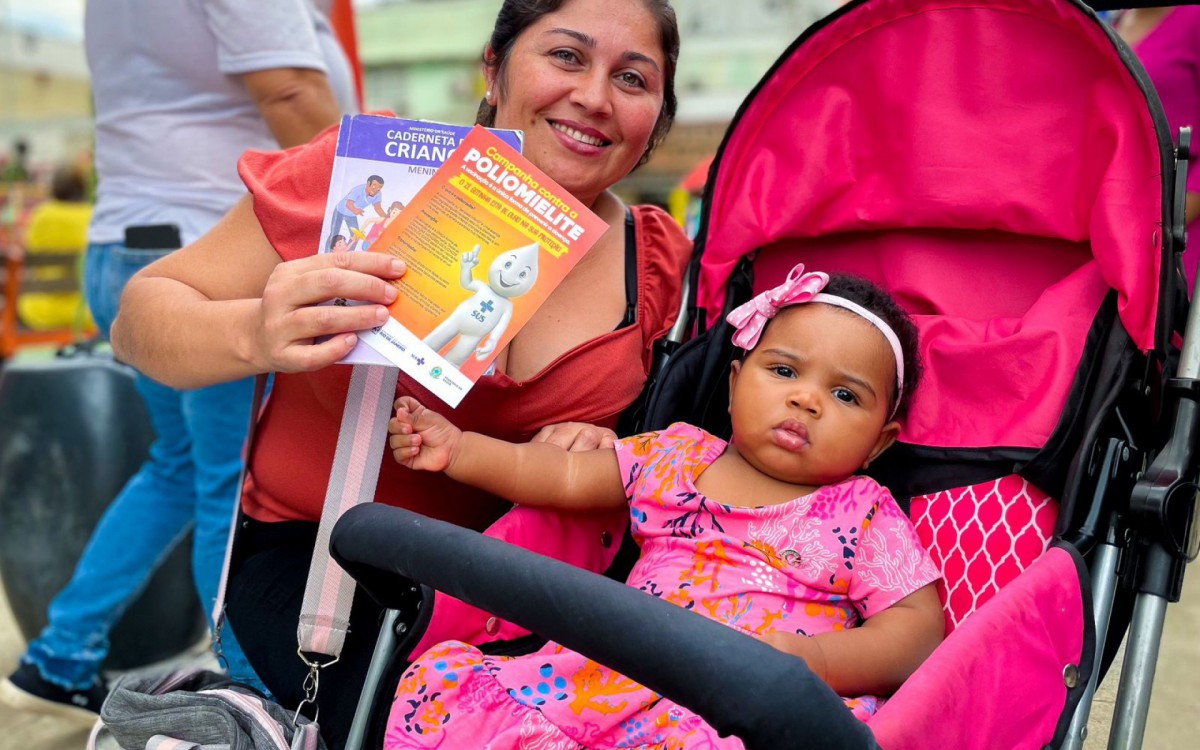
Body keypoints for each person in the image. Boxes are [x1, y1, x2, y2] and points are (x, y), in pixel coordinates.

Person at [109, 1, 687, 746]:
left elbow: (677, 469)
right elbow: (139, 321)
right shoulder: (372, 177)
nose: (596, 97)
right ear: (493, 65)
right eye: (568, 57)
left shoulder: (659, 263)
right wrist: (255, 331)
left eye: (633, 79)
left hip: (533, 597)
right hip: (326, 584)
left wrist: (606, 442)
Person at [383, 269, 945, 749]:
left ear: (878, 443)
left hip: (746, 705)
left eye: (845, 395)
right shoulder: (678, 453)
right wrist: (460, 450)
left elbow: (917, 629)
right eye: (784, 371)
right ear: (734, 383)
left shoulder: (864, 513)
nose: (807, 399)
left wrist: (816, 660)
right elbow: (565, 475)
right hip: (613, 676)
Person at [0, 0, 354, 725]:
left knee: (182, 466)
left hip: (124, 245)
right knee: (232, 485)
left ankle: (60, 657)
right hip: (205, 256)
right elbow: (290, 92)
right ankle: (246, 698)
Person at [1114, 7, 1200, 286]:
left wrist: (1169, 219)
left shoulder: (1194, 19)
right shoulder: (1114, 20)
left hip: (1180, 230)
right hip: (1117, 228)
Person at [12, 164, 93, 331]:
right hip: (85, 312)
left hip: (40, 310)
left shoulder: (41, 215)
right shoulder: (93, 215)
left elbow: (28, 248)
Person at [329, 174, 386, 239]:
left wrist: (387, 218)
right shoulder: (358, 190)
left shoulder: (378, 194)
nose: (375, 191)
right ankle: (328, 249)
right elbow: (349, 204)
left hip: (351, 216)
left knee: (355, 237)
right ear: (368, 183)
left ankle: (349, 249)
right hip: (340, 211)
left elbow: (378, 208)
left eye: (378, 189)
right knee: (334, 234)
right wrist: (355, 210)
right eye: (374, 188)